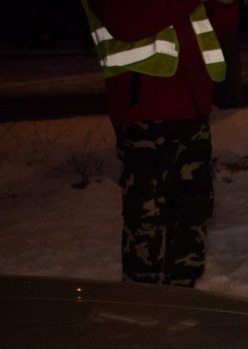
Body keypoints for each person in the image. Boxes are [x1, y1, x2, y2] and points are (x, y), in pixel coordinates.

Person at [82, 0, 239, 287]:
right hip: (143, 109)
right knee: (147, 215)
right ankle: (142, 307)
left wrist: (225, 5)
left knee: (192, 209)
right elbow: (127, 24)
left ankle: (183, 301)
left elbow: (211, 29)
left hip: (191, 107)